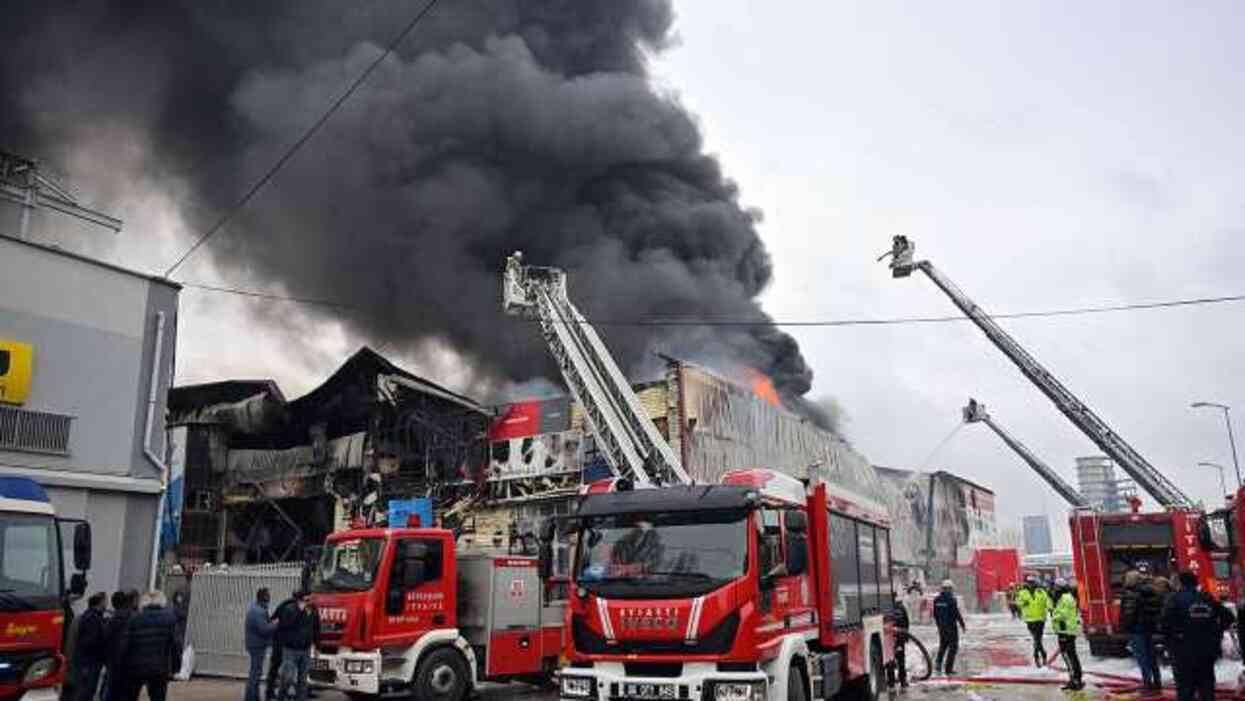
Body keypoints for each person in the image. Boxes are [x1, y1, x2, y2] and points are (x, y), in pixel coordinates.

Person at [1161, 571, 1234, 701]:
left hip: (1183, 652)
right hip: (1206, 651)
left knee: (1185, 690)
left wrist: (1173, 639)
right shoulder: (1206, 597)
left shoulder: (1174, 599)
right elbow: (1229, 616)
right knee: (1207, 687)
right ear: (1196, 582)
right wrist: (1217, 632)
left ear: (1180, 583)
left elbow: (1164, 624)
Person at [116, 591, 180, 701]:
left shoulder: (134, 619)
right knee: (158, 697)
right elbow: (176, 645)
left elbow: (125, 645)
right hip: (159, 668)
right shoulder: (170, 619)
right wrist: (175, 667)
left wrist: (121, 665)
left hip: (135, 667)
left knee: (130, 696)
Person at [1120, 570, 1163, 692]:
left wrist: (1125, 627)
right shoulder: (1151, 591)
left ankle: (1147, 684)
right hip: (1149, 627)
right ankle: (1157, 681)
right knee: (1151, 656)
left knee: (1142, 657)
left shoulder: (1131, 594)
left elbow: (1129, 613)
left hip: (1136, 629)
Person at [274, 590, 320, 701]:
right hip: (290, 649)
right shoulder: (289, 610)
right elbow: (284, 626)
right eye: (307, 600)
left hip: (305, 649)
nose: (310, 602)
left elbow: (316, 628)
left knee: (303, 680)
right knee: (288, 678)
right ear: (300, 600)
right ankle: (281, 697)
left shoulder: (313, 610)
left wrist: (317, 646)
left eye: (311, 599)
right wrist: (299, 612)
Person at [72, 593, 108, 701]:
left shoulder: (91, 616)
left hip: (88, 661)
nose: (107, 604)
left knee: (87, 691)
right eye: (105, 601)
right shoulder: (93, 618)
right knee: (86, 691)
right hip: (90, 661)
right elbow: (89, 642)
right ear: (100, 602)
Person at [1051, 578, 1084, 691]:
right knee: (1071, 656)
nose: (1054, 590)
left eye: (1055, 587)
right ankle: (1075, 678)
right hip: (1067, 630)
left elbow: (1063, 613)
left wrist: (1054, 615)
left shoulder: (1065, 598)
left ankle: (1075, 680)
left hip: (1065, 631)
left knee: (1068, 656)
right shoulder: (1067, 597)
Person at [245, 588, 277, 701]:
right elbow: (264, 629)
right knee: (255, 674)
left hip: (254, 644)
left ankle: (254, 697)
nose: (270, 597)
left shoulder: (256, 608)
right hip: (257, 646)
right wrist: (276, 623)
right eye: (268, 595)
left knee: (255, 672)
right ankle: (251, 698)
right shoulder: (259, 611)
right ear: (264, 597)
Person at [103, 591, 136, 701]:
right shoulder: (133, 617)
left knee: (110, 689)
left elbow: (106, 638)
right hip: (127, 661)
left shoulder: (112, 618)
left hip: (112, 660)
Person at [267, 592, 299, 700]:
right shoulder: (297, 609)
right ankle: (287, 693)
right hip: (287, 644)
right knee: (289, 669)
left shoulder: (283, 604)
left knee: (275, 668)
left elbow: (272, 618)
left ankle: (269, 692)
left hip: (278, 641)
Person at [1016, 575, 1052, 667]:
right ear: (1026, 583)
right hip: (1030, 619)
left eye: (1032, 582)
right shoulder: (1022, 592)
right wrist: (1023, 603)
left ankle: (1037, 656)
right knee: (1037, 638)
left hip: (1040, 618)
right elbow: (1018, 602)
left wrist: (1050, 609)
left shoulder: (1041, 592)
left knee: (1037, 638)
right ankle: (1042, 653)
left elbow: (1047, 601)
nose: (1031, 584)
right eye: (1029, 582)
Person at [932, 579, 966, 676]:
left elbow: (935, 614)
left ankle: (938, 664)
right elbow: (956, 614)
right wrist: (962, 624)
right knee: (953, 647)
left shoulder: (936, 600)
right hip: (951, 628)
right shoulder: (951, 600)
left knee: (943, 646)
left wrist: (939, 625)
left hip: (942, 628)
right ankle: (948, 668)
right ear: (950, 589)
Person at [887, 596, 911, 690]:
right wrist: (905, 637)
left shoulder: (886, 608)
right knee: (901, 660)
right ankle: (903, 681)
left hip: (890, 639)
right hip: (899, 638)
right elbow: (906, 623)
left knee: (890, 660)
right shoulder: (901, 608)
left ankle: (891, 682)